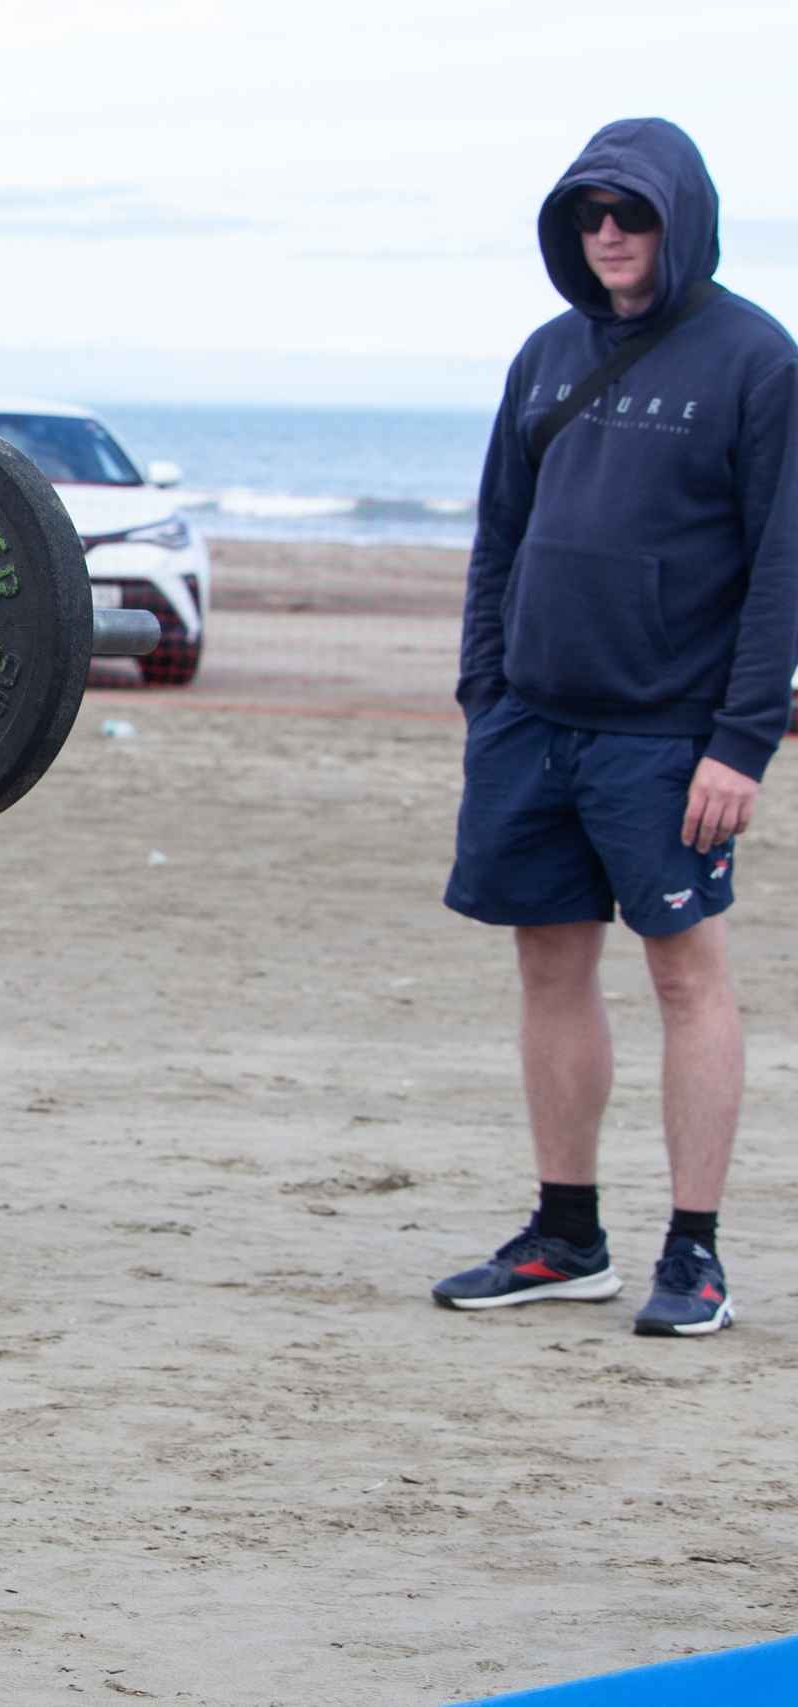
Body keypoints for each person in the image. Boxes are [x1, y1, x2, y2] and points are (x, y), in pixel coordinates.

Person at [436, 118, 797, 1337]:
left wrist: (741, 741)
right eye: (589, 214)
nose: (607, 236)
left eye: (630, 214)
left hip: (668, 735)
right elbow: (499, 532)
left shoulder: (756, 360)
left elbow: (780, 568)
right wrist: (485, 692)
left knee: (685, 975)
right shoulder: (544, 352)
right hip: (532, 721)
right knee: (548, 965)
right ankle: (565, 1234)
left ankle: (692, 1254)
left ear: (678, 219)